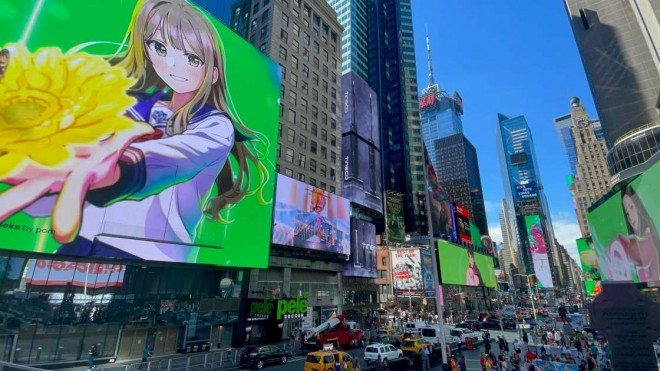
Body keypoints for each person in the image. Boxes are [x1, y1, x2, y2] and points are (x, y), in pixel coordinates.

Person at [0, 0, 270, 262]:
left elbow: (172, 157)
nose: (174, 66)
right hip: (81, 242)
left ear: (213, 74)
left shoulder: (216, 126)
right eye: (160, 48)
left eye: (191, 58)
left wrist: (110, 165)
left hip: (153, 253)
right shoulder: (129, 105)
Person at [604, 185, 660, 281]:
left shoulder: (648, 239)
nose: (631, 218)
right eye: (627, 213)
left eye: (631, 207)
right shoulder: (641, 238)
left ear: (639, 207)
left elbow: (616, 247)